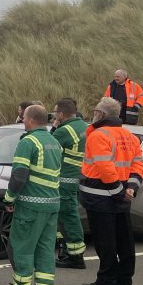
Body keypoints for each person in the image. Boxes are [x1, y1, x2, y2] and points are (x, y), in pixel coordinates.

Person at [79, 97, 143, 285]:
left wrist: (117, 191)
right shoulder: (129, 135)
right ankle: (125, 279)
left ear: (102, 114)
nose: (94, 113)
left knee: (105, 240)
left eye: (96, 110)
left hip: (101, 196)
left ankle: (106, 282)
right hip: (122, 193)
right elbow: (137, 165)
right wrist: (130, 188)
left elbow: (104, 166)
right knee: (124, 238)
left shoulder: (99, 135)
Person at [0, 105, 62, 285]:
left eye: (24, 117)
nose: (22, 120)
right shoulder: (54, 141)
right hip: (52, 204)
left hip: (31, 204)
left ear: (32, 120)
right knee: (45, 247)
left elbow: (19, 175)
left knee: (21, 245)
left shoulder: (28, 142)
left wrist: (9, 198)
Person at [51, 98, 88, 269]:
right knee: (69, 215)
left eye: (55, 112)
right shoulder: (83, 126)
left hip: (64, 179)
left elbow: (47, 145)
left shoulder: (64, 131)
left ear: (61, 114)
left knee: (68, 216)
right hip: (76, 177)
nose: (54, 115)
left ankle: (75, 256)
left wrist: (54, 126)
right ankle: (67, 250)